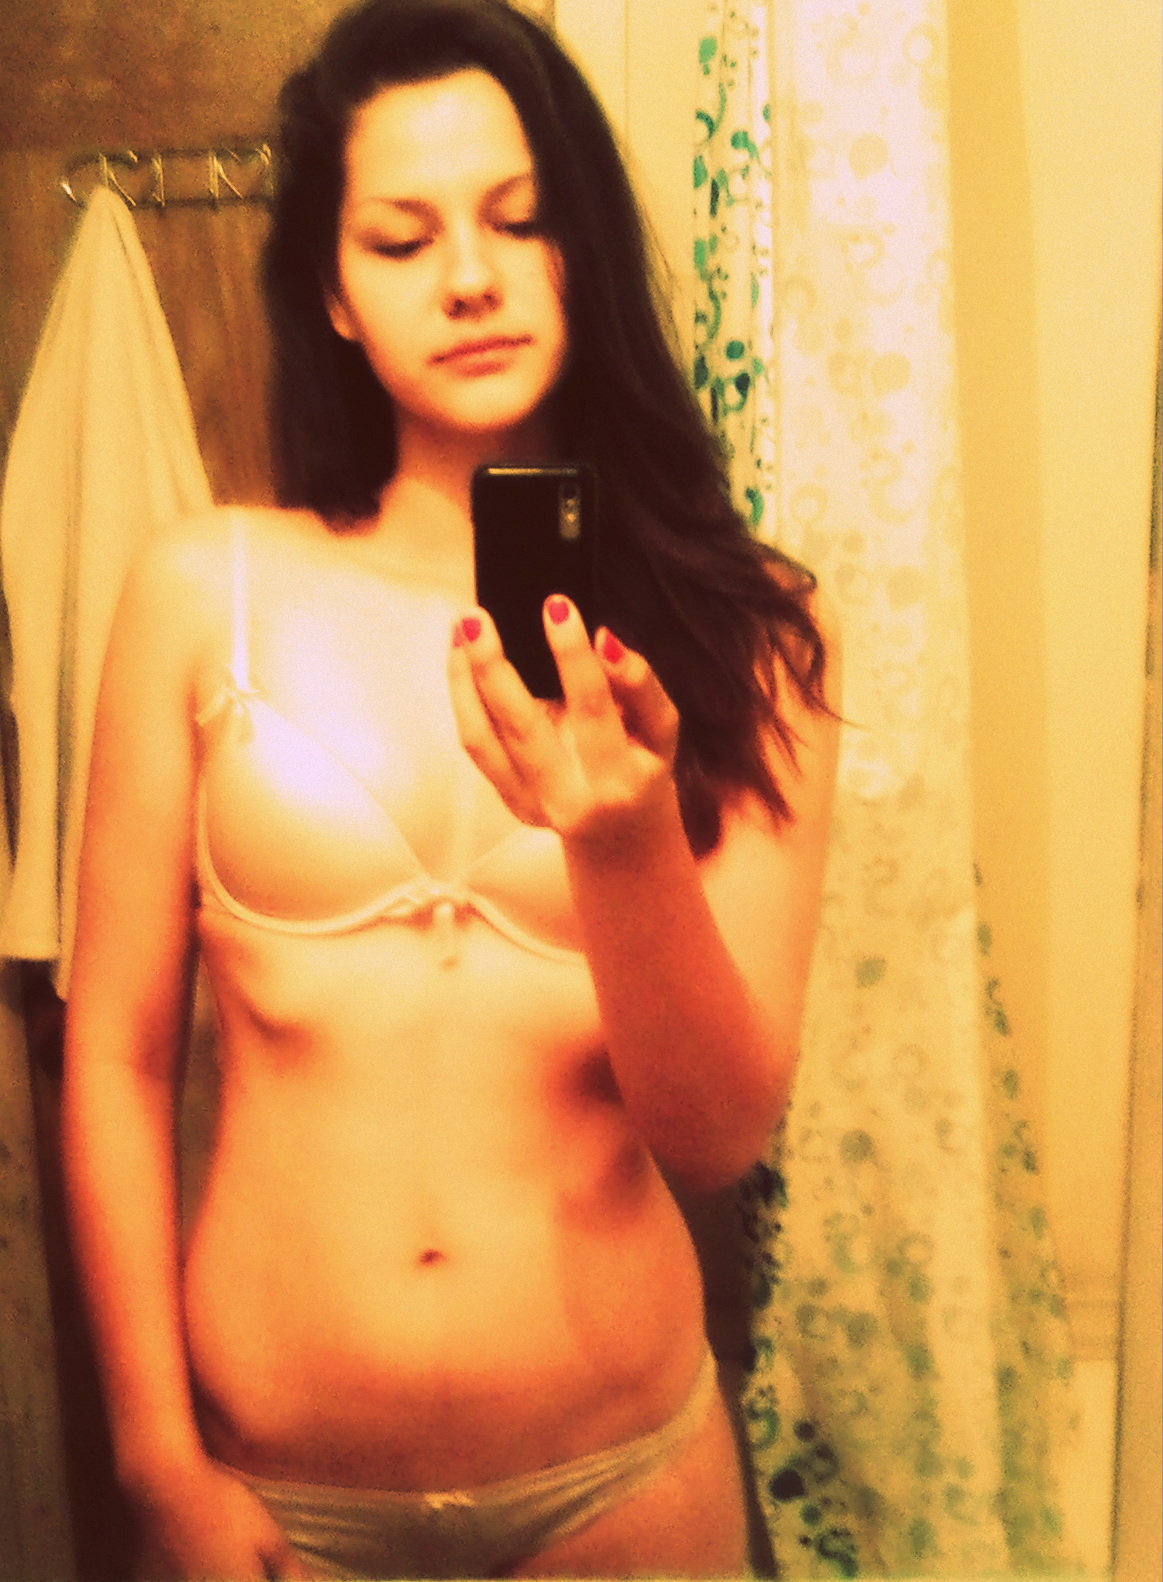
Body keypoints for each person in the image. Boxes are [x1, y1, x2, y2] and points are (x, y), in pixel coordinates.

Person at [61, 0, 840, 1576]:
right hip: (269, 1497)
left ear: (584, 247)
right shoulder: (204, 591)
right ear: (333, 294)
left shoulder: (751, 630)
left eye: (520, 219)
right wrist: (155, 1462)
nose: (470, 277)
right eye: (402, 239)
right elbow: (120, 1055)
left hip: (620, 1485)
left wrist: (622, 836)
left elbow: (715, 1137)